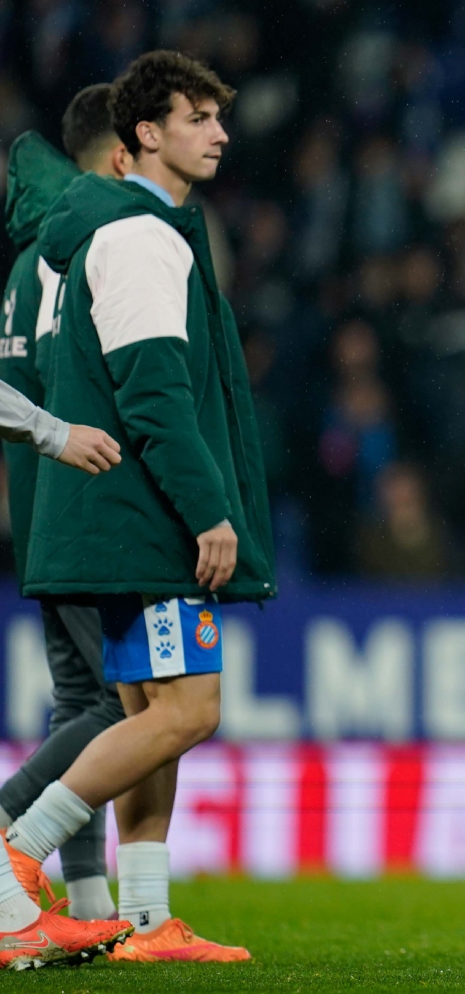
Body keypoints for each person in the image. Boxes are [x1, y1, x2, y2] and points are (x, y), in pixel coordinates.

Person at [1, 49, 274, 964]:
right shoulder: (140, 237)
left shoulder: (116, 234)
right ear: (143, 136)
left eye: (219, 117)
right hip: (146, 521)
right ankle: (15, 853)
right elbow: (154, 394)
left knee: (150, 709)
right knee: (187, 709)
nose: (220, 134)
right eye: (199, 118)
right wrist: (210, 511)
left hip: (112, 516)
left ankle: (147, 922)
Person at [0, 84, 133, 926]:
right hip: (88, 504)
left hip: (37, 498)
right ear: (125, 149)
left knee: (79, 698)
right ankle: (10, 820)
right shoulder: (98, 240)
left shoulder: (25, 258)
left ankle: (85, 897)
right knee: (127, 708)